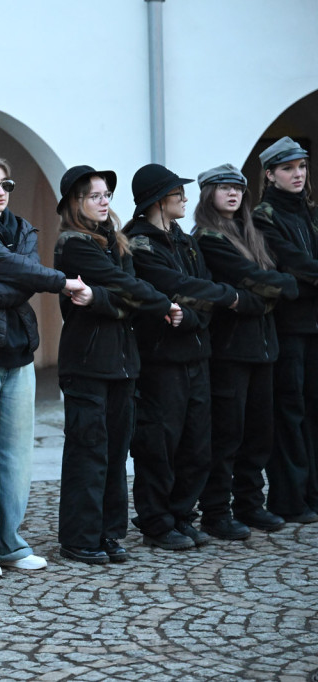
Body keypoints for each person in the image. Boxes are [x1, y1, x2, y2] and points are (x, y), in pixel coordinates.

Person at [0, 155, 92, 579]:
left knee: (15, 459)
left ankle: (10, 543)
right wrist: (57, 281)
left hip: (17, 349)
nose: (2, 193)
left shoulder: (22, 227)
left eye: (6, 185)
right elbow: (16, 270)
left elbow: (22, 275)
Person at [54, 166, 178, 564]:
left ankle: (109, 534)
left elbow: (123, 293)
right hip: (88, 363)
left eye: (107, 195)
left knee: (115, 452)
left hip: (124, 363)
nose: (104, 202)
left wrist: (100, 300)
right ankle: (79, 538)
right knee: (87, 454)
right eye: (95, 196)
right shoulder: (73, 244)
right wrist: (162, 303)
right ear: (77, 203)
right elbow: (125, 288)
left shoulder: (118, 242)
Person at [123, 163, 244, 550]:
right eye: (178, 193)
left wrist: (190, 313)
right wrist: (207, 301)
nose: (185, 198)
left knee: (197, 444)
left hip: (195, 353)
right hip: (160, 360)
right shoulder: (138, 244)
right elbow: (169, 289)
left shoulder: (185, 241)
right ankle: (156, 522)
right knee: (160, 444)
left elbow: (200, 290)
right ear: (160, 199)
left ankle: (180, 515)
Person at [193, 164, 298, 540]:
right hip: (230, 352)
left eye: (237, 188)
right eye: (224, 189)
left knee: (259, 434)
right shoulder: (207, 238)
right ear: (209, 195)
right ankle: (216, 512)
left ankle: (250, 504)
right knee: (227, 435)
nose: (233, 194)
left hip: (264, 349)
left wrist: (270, 290)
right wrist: (271, 291)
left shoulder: (251, 233)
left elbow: (275, 281)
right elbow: (253, 280)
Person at [251, 137, 318, 525]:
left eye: (302, 167)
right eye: (289, 168)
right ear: (271, 174)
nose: (298, 174)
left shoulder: (307, 212)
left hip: (312, 324)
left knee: (313, 410)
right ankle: (289, 498)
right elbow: (291, 266)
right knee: (289, 412)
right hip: (288, 327)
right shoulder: (264, 215)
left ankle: (311, 492)